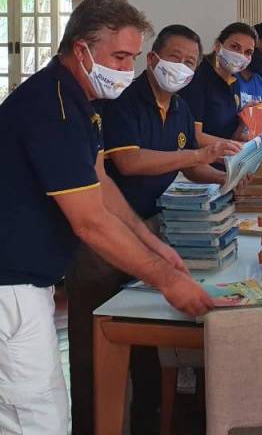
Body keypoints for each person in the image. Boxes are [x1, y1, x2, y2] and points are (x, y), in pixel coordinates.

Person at [0, 0, 213, 435]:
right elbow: (89, 221)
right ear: (81, 49)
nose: (128, 69)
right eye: (119, 57)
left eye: (132, 58)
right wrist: (167, 280)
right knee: (38, 421)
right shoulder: (52, 106)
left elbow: (100, 183)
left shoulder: (84, 100)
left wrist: (150, 242)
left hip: (13, 280)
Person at [67, 24, 228, 435]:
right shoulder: (125, 100)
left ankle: (147, 416)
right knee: (96, 335)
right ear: (153, 59)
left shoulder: (179, 106)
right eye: (175, 58)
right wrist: (197, 156)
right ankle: (93, 422)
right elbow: (130, 162)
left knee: (145, 326)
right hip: (105, 233)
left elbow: (189, 163)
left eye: (190, 62)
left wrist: (225, 178)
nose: (182, 67)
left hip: (152, 227)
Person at [183, 22, 258, 146]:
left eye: (248, 52)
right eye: (235, 47)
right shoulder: (199, 76)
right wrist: (235, 146)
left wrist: (243, 120)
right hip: (197, 156)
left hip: (224, 155)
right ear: (218, 46)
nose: (241, 55)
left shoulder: (234, 81)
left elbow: (232, 137)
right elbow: (194, 136)